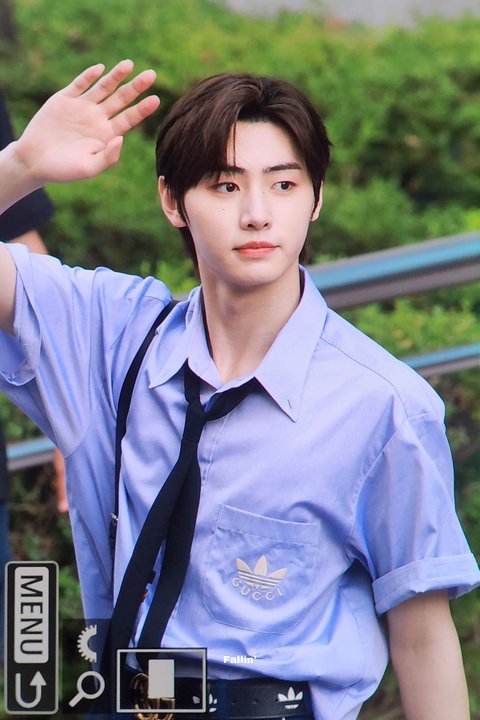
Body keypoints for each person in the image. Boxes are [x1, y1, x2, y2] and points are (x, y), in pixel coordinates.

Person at [0, 60, 478, 720]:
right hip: (125, 699)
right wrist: (20, 166)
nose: (257, 214)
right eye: (225, 185)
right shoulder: (111, 336)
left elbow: (422, 638)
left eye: (283, 184)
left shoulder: (383, 405)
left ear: (315, 199)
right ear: (173, 202)